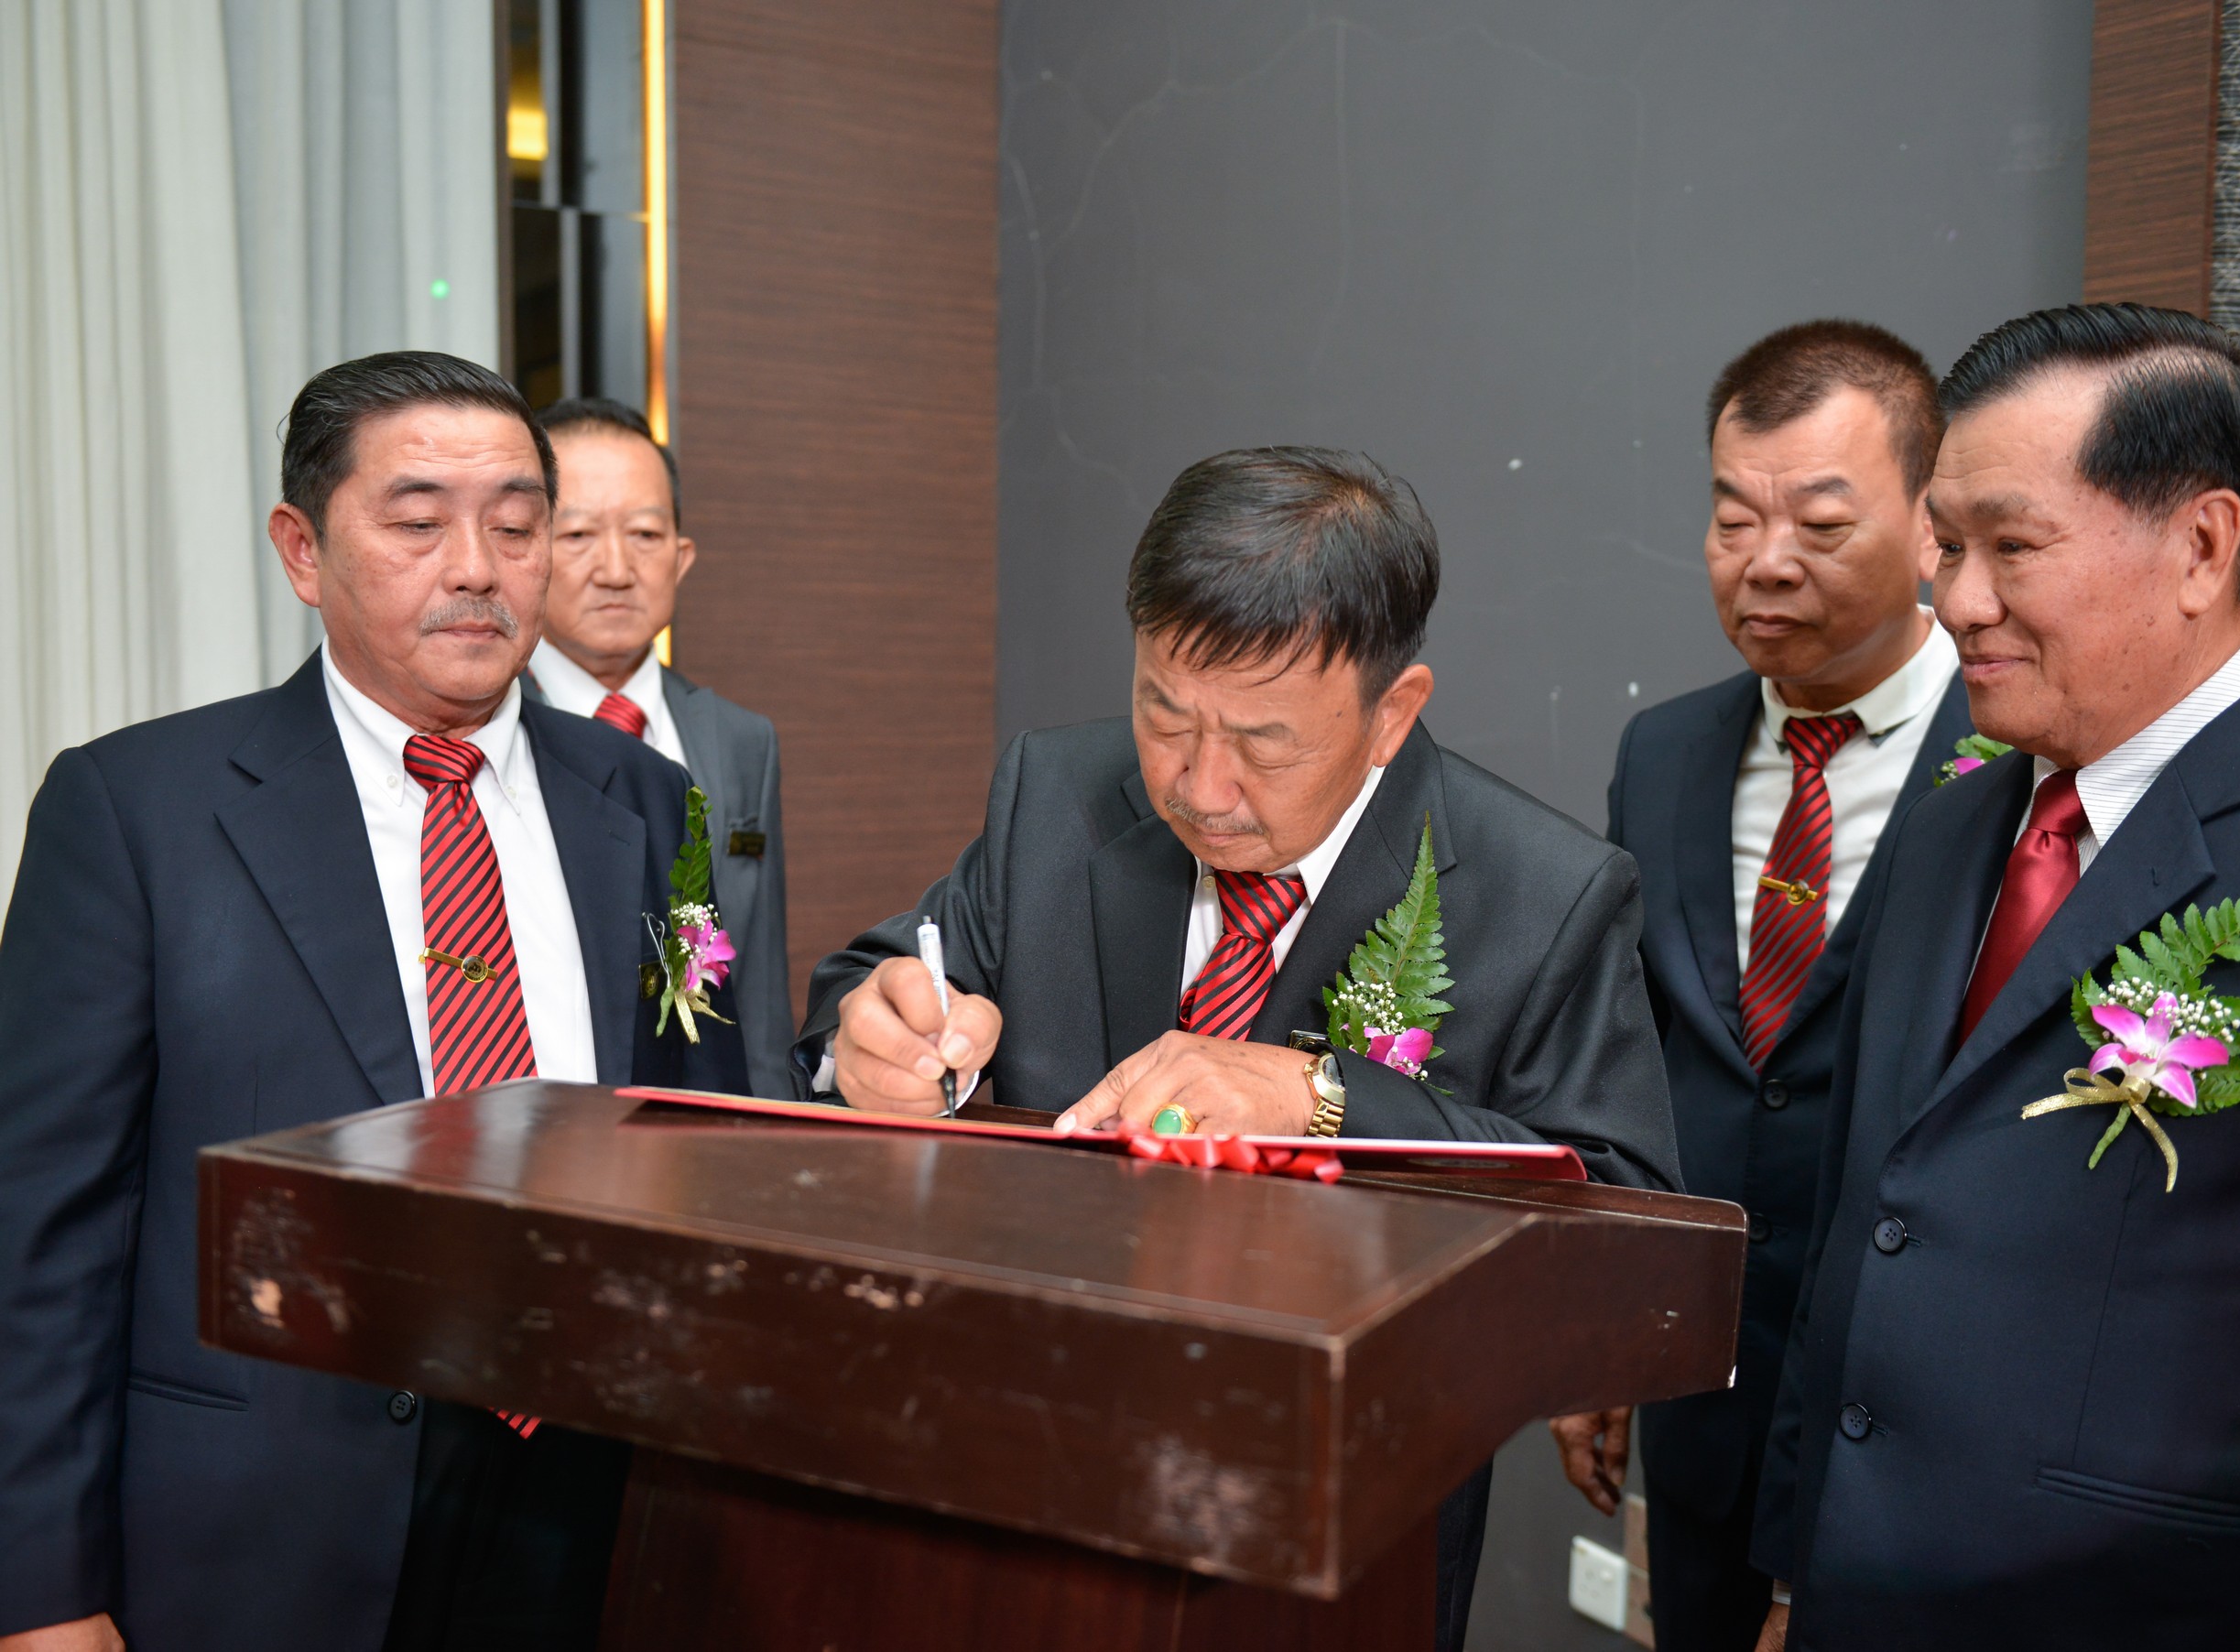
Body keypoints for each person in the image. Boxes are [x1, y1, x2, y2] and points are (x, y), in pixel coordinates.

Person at [794, 445, 1681, 1652]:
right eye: (1165, 714)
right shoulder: (1058, 794)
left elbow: (1630, 1235)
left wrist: (1322, 1095)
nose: (1201, 787)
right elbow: (863, 990)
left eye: (1264, 742)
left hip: (1335, 1543)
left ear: (1392, 712)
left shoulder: (1544, 892)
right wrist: (873, 1044)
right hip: (1018, 1480)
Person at [1750, 304, 2240, 1649]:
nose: (1957, 601)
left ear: (2200, 545)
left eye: (2011, 547)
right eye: (1948, 546)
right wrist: (1796, 1574)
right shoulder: (1950, 828)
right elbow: (1863, 1218)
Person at [0, 353, 750, 1652]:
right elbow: (41, 1229)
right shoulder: (134, 810)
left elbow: (701, 1106)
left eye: (516, 525)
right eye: (416, 524)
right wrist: (41, 1592)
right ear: (303, 551)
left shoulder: (655, 803)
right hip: (266, 1516)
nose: (477, 568)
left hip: (591, 1486)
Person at [1548, 321, 1973, 1652]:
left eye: (1822, 525)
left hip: (1912, 1424)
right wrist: (1603, 1329)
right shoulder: (1665, 751)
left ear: (1931, 524)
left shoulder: (2015, 757)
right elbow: (1628, 1055)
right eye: (1734, 519)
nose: (1765, 561)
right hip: (1700, 1398)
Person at [524, 397, 795, 1097]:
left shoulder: (740, 739)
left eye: (645, 534)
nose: (616, 568)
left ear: (681, 557)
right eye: (577, 534)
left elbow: (756, 993)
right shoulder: (485, 731)